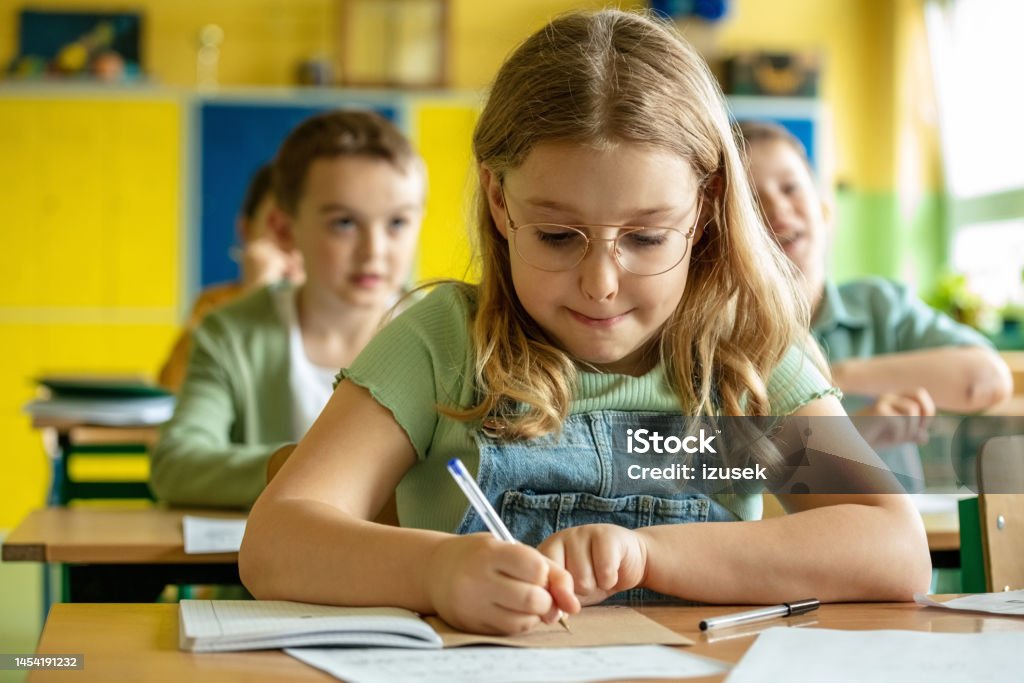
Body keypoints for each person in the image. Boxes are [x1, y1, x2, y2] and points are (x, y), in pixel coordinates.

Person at [240, 10, 931, 636]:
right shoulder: (444, 340)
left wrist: (648, 553)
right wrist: (437, 570)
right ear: (500, 200)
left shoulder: (745, 349)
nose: (601, 283)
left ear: (705, 204)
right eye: (559, 236)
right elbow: (276, 540)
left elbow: (895, 549)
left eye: (646, 238)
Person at [150, 110, 425, 508]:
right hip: (270, 569)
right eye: (344, 223)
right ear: (283, 230)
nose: (374, 252)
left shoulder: (450, 336)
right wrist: (307, 467)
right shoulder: (230, 333)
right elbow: (176, 465)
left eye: (397, 223)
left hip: (411, 569)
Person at [737, 120, 1011, 459]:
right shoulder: (725, 338)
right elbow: (736, 477)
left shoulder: (881, 305)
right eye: (751, 200)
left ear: (824, 208)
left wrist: (833, 376)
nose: (777, 208)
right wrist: (854, 434)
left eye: (790, 188)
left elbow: (988, 381)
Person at [158, 163, 304, 391]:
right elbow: (174, 392)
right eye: (279, 227)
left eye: (303, 227)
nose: (293, 245)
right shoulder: (214, 306)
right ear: (246, 231)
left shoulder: (351, 315)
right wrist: (255, 302)